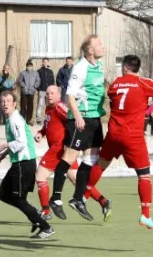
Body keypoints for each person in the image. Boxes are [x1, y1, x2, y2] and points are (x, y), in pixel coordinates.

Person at [82, 55, 153, 228]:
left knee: (100, 165)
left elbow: (113, 97)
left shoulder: (115, 84)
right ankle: (145, 214)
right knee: (144, 175)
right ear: (137, 69)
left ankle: (84, 194)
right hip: (132, 137)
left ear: (124, 68)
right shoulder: (144, 84)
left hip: (113, 133)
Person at [49, 35, 106, 221]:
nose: (102, 46)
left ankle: (77, 198)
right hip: (81, 120)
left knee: (90, 160)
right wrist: (78, 116)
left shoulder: (98, 66)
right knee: (69, 158)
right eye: (99, 44)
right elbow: (70, 95)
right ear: (90, 50)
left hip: (95, 119)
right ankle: (56, 199)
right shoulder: (80, 67)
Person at [35, 85, 110, 221]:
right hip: (66, 151)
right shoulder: (49, 108)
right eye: (47, 93)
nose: (49, 95)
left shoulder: (59, 107)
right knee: (78, 181)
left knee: (40, 177)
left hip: (58, 150)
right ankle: (103, 201)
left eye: (52, 93)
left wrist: (81, 134)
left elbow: (73, 117)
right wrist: (41, 132)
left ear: (59, 95)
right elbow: (50, 125)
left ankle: (45, 211)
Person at [0, 90, 55, 239]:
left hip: (24, 164)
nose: (5, 104)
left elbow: (21, 143)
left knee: (18, 199)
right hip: (18, 164)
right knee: (3, 194)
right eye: (3, 101)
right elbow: (18, 143)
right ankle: (35, 215)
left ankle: (45, 227)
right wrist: (4, 154)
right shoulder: (10, 120)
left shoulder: (15, 120)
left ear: (15, 104)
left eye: (8, 101)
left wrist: (5, 145)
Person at [18, 60, 40, 124]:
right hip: (24, 92)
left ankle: (28, 120)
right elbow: (20, 80)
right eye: (28, 66)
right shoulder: (23, 73)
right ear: (26, 67)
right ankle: (22, 119)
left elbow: (38, 80)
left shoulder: (36, 73)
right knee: (23, 106)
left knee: (30, 106)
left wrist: (35, 87)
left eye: (30, 66)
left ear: (32, 67)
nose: (29, 67)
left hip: (31, 92)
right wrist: (23, 86)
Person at [36, 58, 55, 124]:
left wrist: (52, 89)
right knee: (40, 105)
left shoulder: (50, 71)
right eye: (44, 62)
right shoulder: (39, 71)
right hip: (42, 91)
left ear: (48, 62)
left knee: (49, 105)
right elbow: (37, 80)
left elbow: (52, 81)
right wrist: (38, 88)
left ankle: (48, 119)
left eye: (47, 62)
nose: (45, 63)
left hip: (49, 92)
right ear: (42, 62)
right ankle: (38, 120)